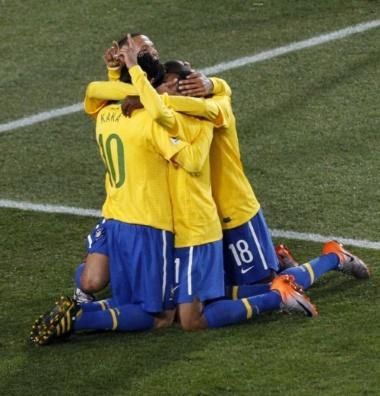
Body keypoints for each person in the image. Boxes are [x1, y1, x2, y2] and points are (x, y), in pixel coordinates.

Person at [31, 44, 192, 345]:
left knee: (120, 295)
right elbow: (186, 153)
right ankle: (81, 318)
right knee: (160, 317)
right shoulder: (153, 119)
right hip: (148, 223)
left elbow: (97, 92)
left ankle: (83, 307)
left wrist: (119, 76)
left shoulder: (105, 113)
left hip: (116, 218)